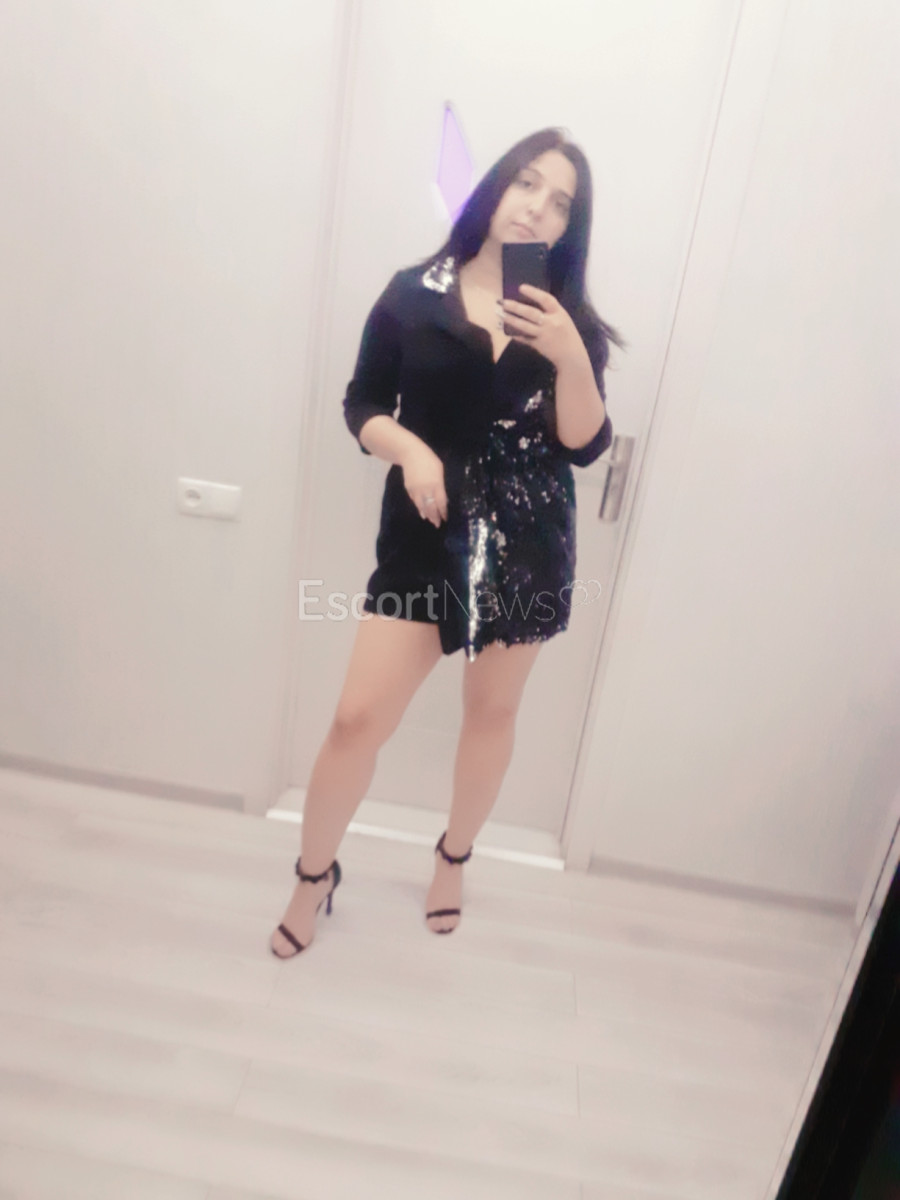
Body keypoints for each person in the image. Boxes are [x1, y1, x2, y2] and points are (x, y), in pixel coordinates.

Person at [270, 126, 625, 958]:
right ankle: (313, 876)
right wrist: (411, 450)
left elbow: (583, 444)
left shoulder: (568, 321)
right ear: (495, 188)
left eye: (560, 202)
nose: (537, 208)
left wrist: (571, 356)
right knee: (356, 720)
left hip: (526, 541)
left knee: (492, 712)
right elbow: (362, 404)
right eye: (526, 183)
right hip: (426, 535)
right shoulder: (413, 293)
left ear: (570, 227)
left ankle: (453, 859)